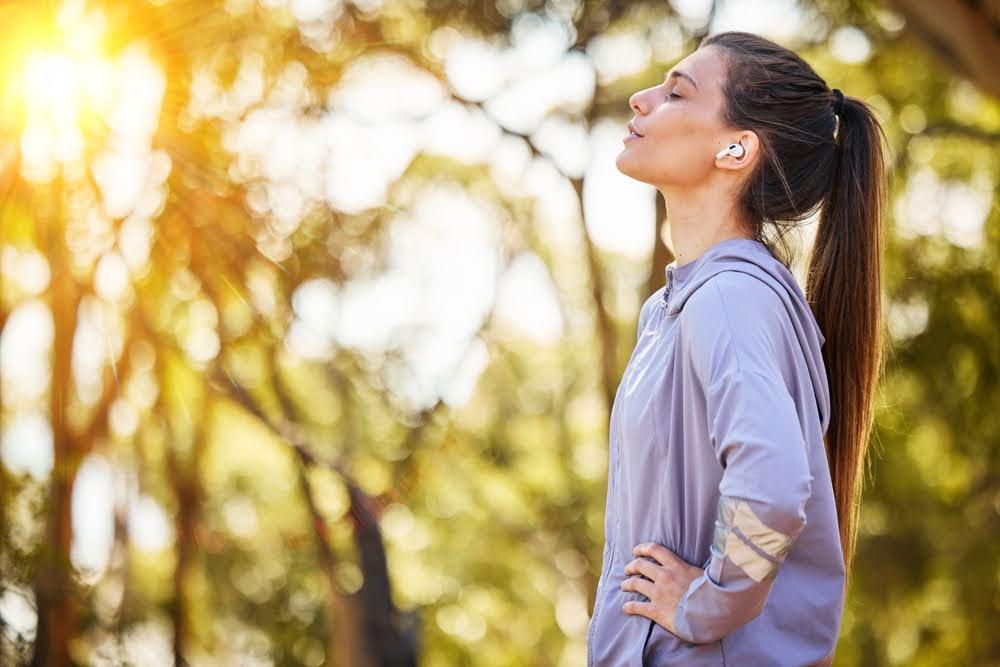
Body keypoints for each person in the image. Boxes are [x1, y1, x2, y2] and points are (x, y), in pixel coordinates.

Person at [586, 30, 889, 666]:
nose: (641, 100)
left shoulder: (730, 296)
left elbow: (773, 486)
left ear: (736, 148)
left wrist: (707, 604)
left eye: (676, 93)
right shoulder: (680, 304)